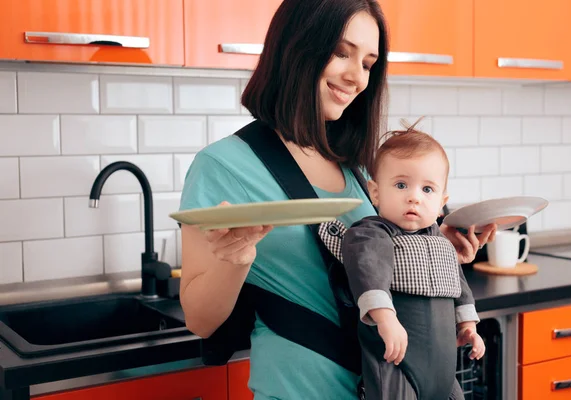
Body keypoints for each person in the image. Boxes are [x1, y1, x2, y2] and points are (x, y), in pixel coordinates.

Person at [178, 0, 496, 398]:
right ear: (296, 46)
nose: (356, 77)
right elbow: (199, 319)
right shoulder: (221, 166)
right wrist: (235, 261)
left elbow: (377, 261)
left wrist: (434, 248)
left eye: (367, 63)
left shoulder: (358, 168)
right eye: (341, 52)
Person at [319, 121, 486, 399]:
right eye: (401, 185)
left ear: (442, 201)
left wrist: (468, 327)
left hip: (445, 373)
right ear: (375, 193)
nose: (413, 198)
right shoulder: (371, 232)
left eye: (427, 190)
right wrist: (385, 319)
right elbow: (368, 272)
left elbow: (460, 289)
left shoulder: (442, 243)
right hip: (397, 362)